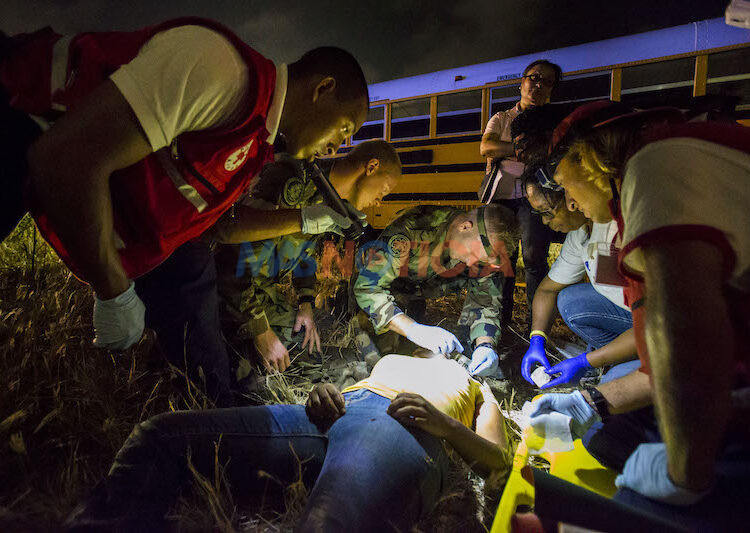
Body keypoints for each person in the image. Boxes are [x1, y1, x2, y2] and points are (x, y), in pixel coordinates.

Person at [0, 19, 368, 353]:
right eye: (346, 128)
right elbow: (67, 157)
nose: (338, 146)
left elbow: (222, 225)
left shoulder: (256, 139)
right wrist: (112, 289)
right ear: (324, 88)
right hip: (16, 106)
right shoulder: (221, 72)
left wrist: (304, 219)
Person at [529, 101, 750, 530]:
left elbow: (685, 336)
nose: (566, 197)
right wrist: (589, 401)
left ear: (586, 157)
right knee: (606, 436)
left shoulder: (654, 164)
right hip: (734, 368)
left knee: (632, 512)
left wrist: (684, 476)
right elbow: (665, 349)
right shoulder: (660, 168)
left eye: (562, 181)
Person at [63, 352, 512, 532]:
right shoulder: (394, 357)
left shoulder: (472, 382)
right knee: (159, 435)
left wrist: (448, 426)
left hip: (403, 429)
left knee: (328, 522)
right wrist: (319, 393)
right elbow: (339, 394)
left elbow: (497, 458)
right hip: (337, 414)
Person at [214, 140, 402, 373]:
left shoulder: (327, 199)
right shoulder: (294, 180)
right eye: (383, 191)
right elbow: (232, 264)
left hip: (261, 298)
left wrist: (306, 302)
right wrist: (261, 331)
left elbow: (304, 254)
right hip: (226, 301)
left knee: (328, 353)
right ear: (372, 166)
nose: (379, 201)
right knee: (248, 380)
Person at [354, 204, 519, 377]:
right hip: (388, 292)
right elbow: (368, 288)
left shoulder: (483, 253)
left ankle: (414, 314)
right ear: (465, 227)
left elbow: (485, 303)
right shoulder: (413, 227)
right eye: (473, 254)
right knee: (376, 362)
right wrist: (413, 329)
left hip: (420, 293)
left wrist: (485, 345)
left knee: (461, 362)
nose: (471, 263)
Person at [520, 172, 637, 389]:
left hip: (660, 327)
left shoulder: (621, 230)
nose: (545, 221)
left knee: (614, 390)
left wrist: (587, 362)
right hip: (635, 317)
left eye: (547, 212)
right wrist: (537, 338)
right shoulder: (581, 234)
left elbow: (652, 323)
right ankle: (621, 357)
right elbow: (547, 291)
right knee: (571, 300)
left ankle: (629, 362)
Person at [479, 60, 563, 331]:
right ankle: (499, 327)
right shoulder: (502, 118)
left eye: (547, 81)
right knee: (502, 263)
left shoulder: (552, 122)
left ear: (552, 90)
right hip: (502, 197)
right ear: (522, 82)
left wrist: (508, 151)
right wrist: (524, 151)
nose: (538, 85)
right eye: (534, 77)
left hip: (535, 197)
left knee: (534, 260)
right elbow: (486, 146)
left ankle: (535, 329)